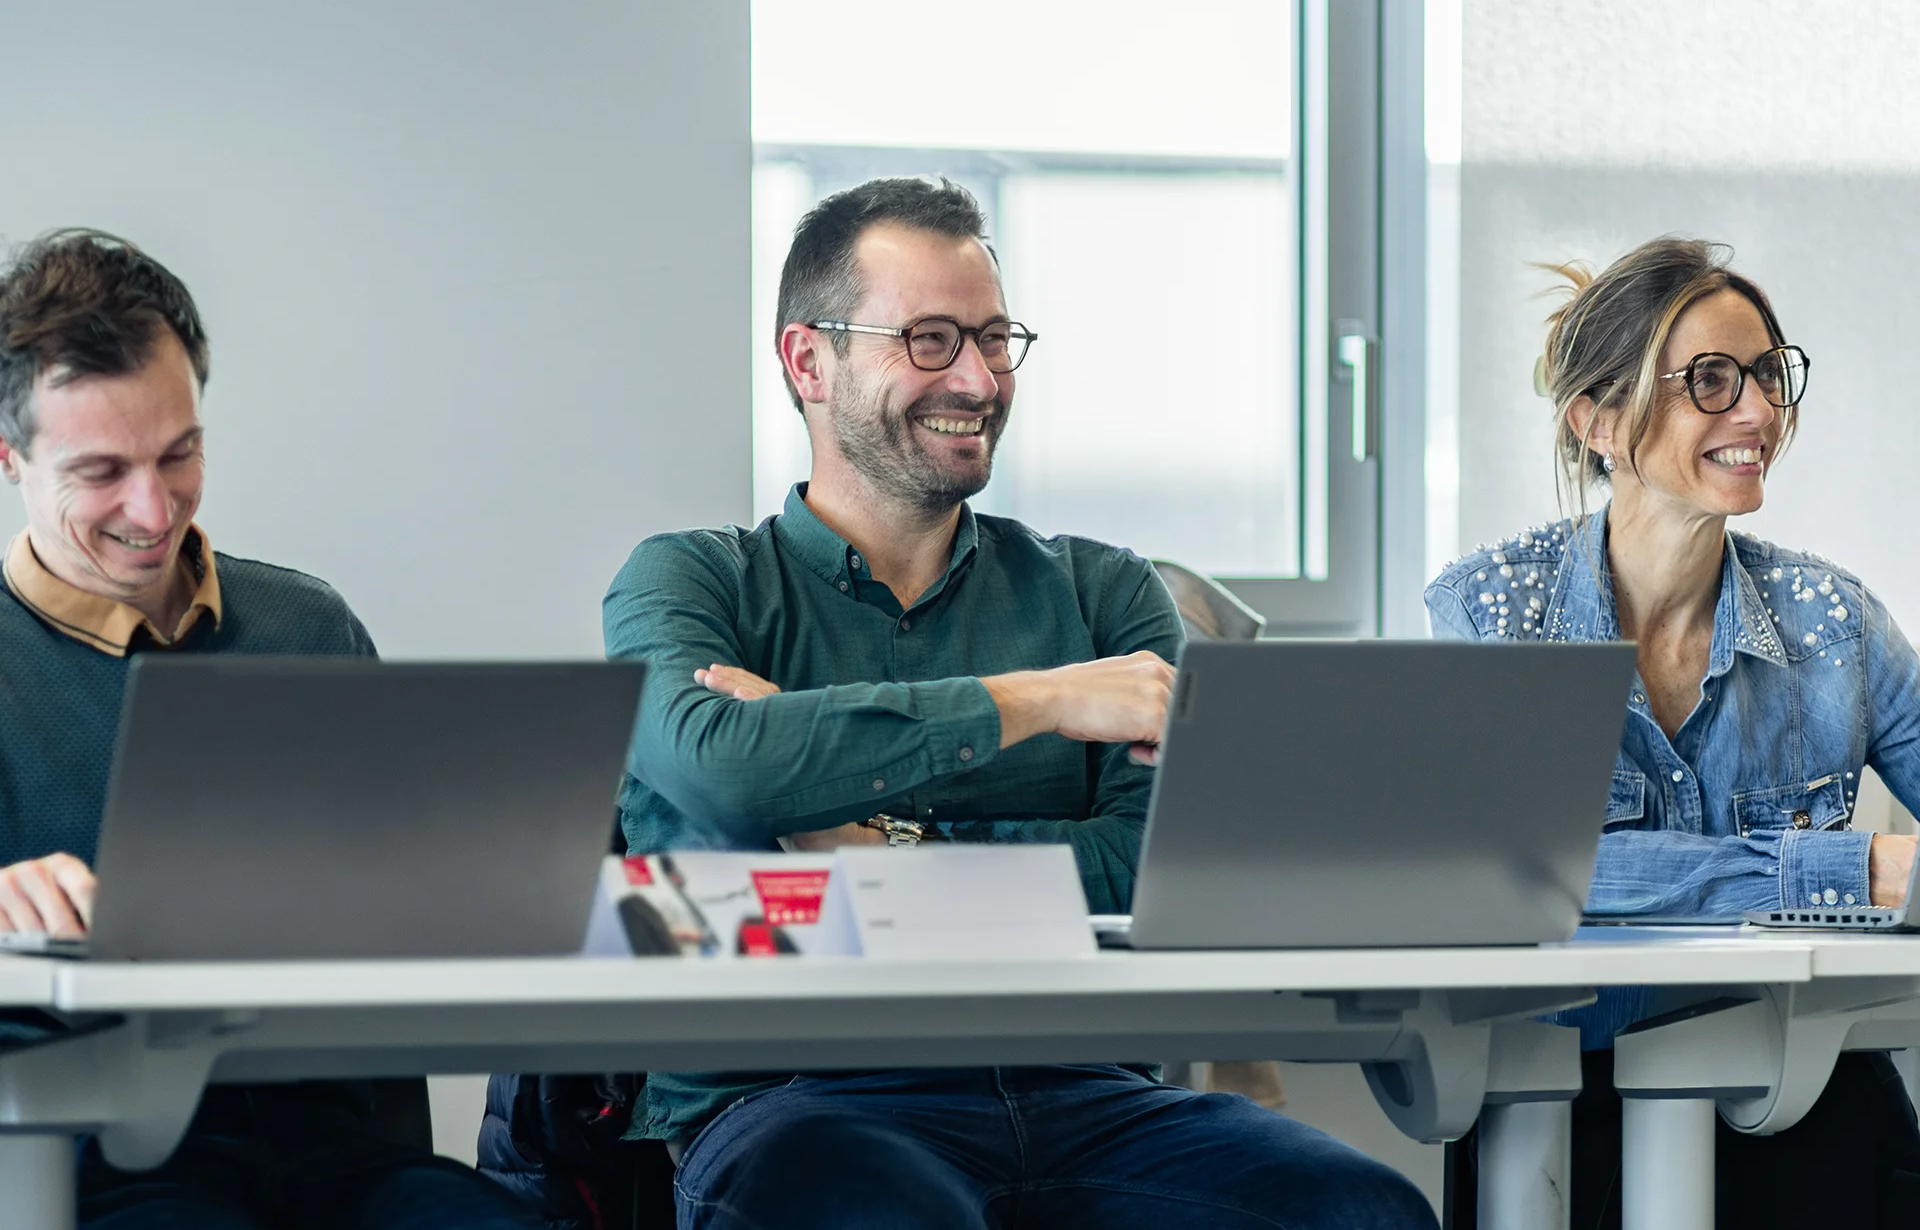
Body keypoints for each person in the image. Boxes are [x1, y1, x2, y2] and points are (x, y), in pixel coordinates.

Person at [603, 178, 1437, 1229]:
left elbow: (1155, 871)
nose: (979, 378)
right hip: (792, 1101)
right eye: (933, 338)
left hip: (1086, 1090)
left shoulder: (1103, 592)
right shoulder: (687, 583)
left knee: (1360, 1210)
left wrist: (844, 831)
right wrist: (1040, 702)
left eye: (997, 340)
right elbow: (716, 789)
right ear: (809, 361)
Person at [0, 229, 537, 1230]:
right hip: (95, 1166)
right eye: (102, 470)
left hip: (339, 1152)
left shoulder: (307, 626)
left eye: (180, 452)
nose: (152, 509)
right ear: (9, 457)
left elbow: (418, 903)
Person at [1426, 236, 1920, 1228]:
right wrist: (1846, 877)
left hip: (1793, 1089)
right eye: (1711, 379)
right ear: (1598, 419)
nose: (1760, 412)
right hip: (1559, 1103)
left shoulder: (1837, 622)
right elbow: (1526, 875)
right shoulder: (1490, 612)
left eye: (1770, 376)